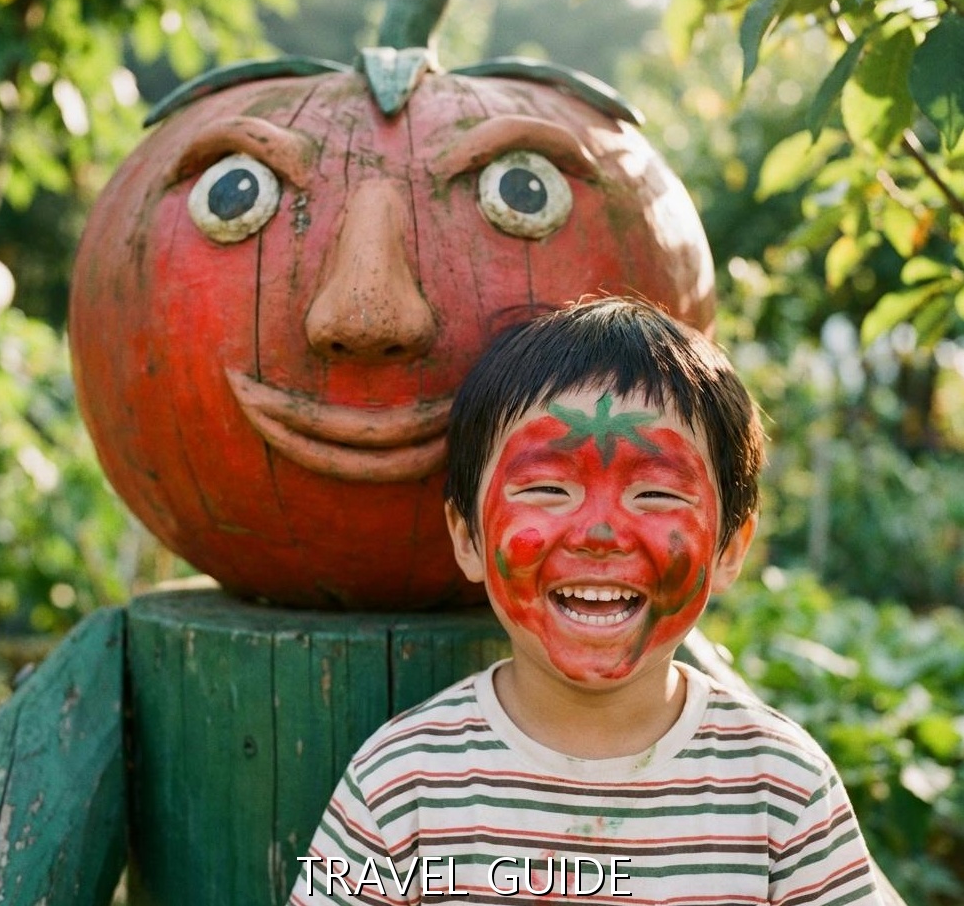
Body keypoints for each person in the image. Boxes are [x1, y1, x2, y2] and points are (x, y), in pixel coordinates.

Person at [288, 296, 884, 905]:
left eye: (655, 493)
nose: (600, 534)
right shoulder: (401, 784)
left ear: (731, 546)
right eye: (547, 488)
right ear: (468, 536)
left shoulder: (780, 788)